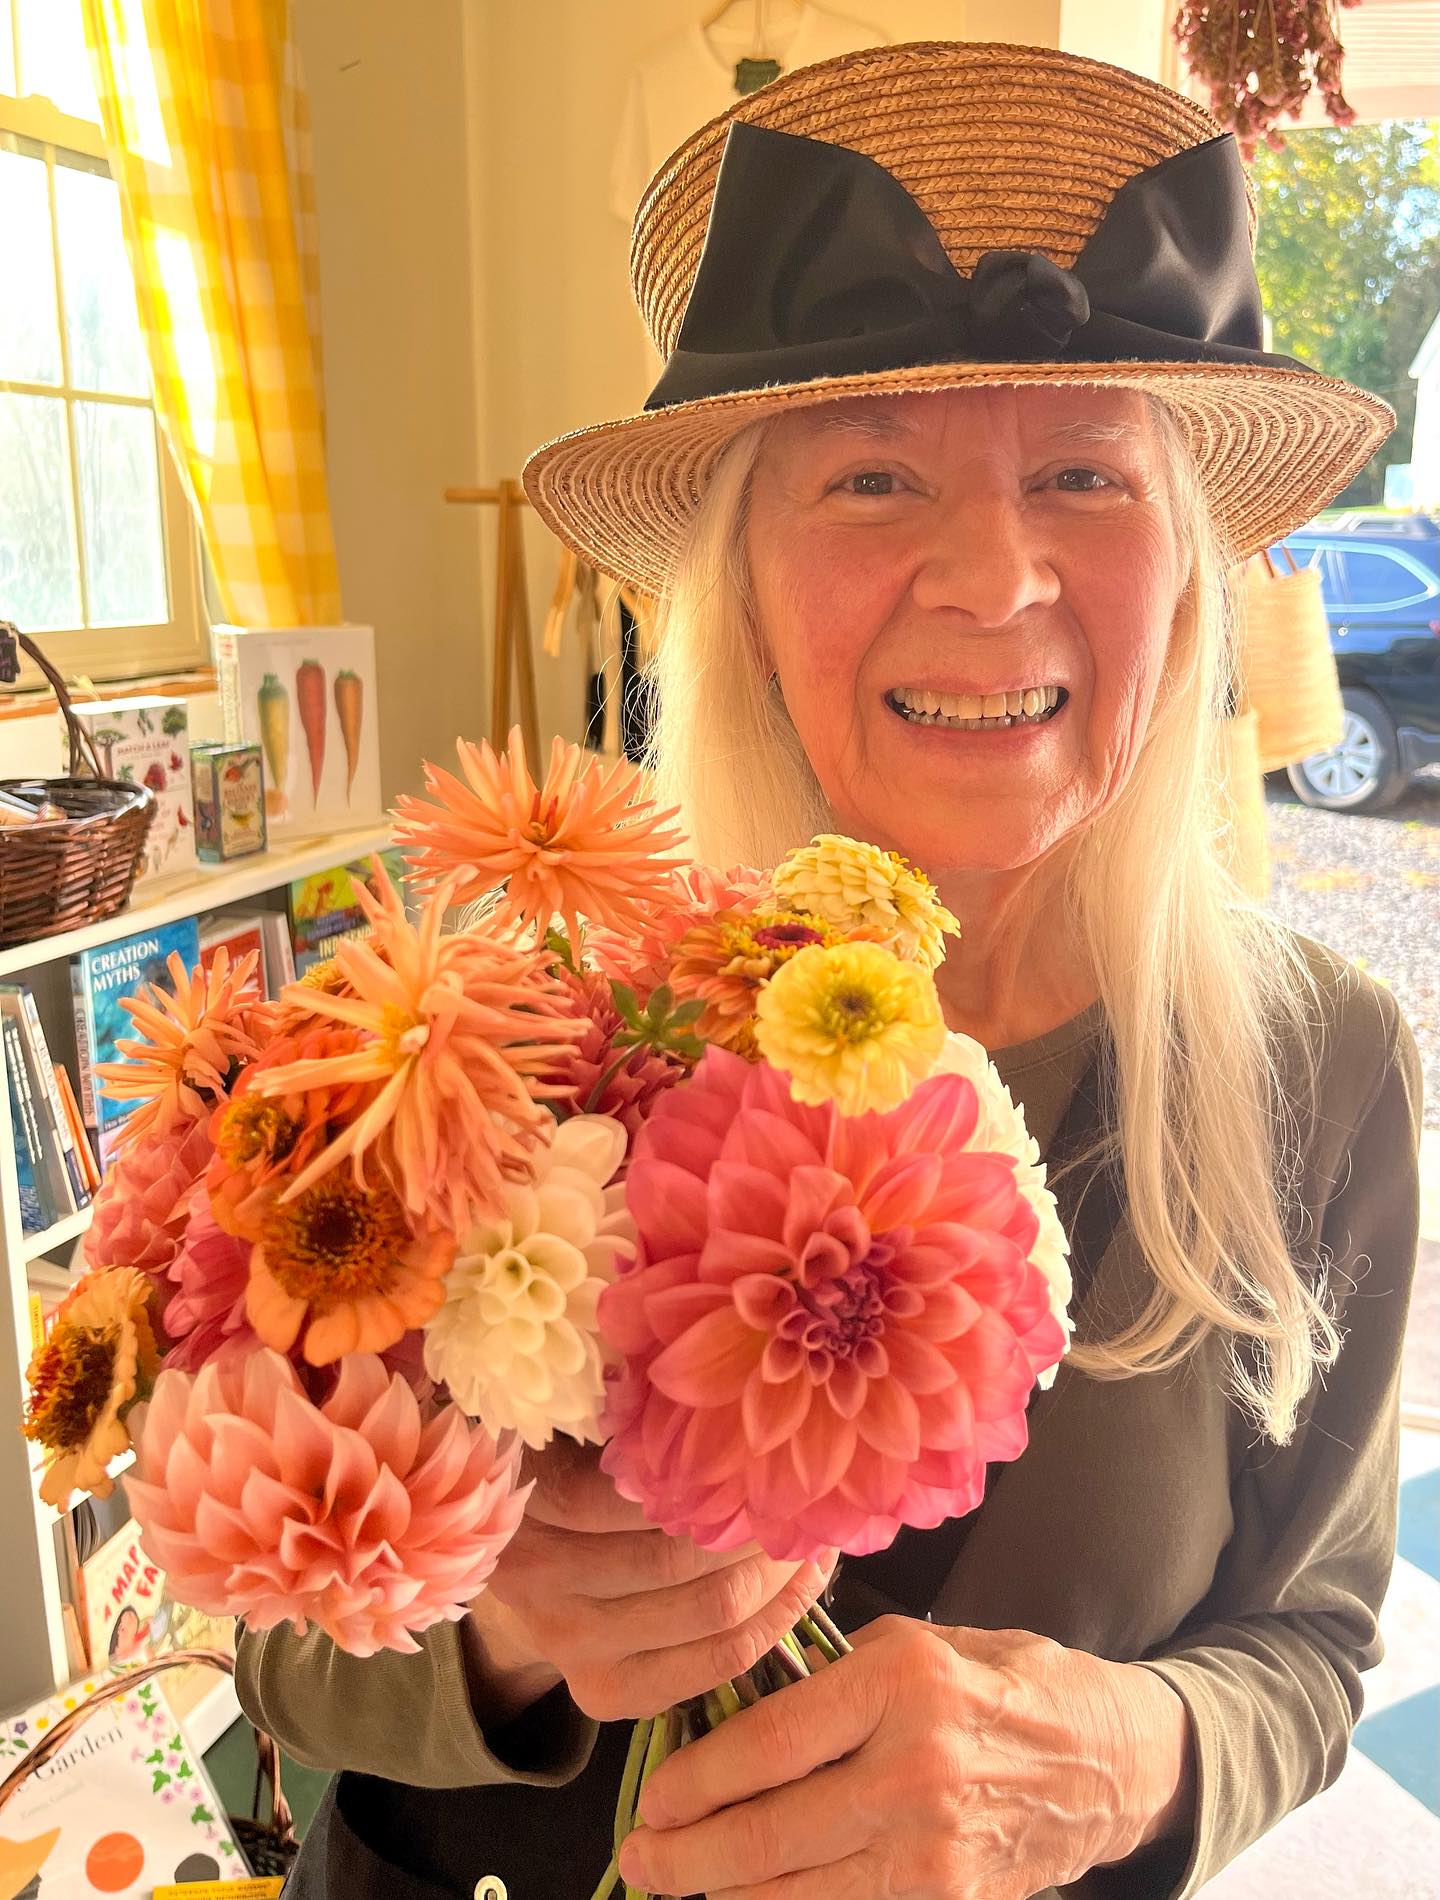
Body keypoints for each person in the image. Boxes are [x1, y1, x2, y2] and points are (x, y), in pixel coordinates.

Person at [239, 41, 1423, 1900]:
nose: (993, 577)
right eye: (872, 478)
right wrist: (496, 1626)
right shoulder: (500, 1016)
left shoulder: (1325, 1066)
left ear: (1189, 569)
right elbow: (279, 1661)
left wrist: (1128, 1752)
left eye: (1083, 475)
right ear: (743, 583)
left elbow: (1316, 1638)